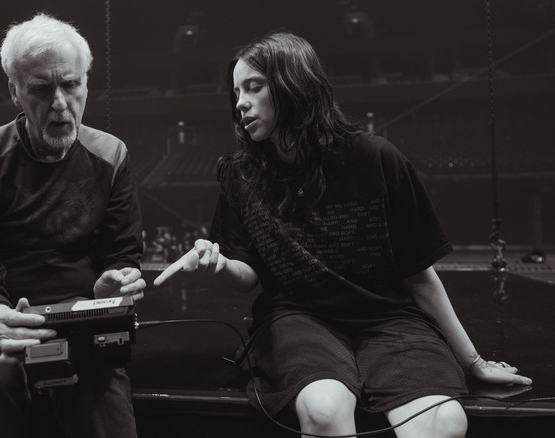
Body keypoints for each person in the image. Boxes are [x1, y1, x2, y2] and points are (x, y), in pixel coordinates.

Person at [154, 32, 532, 438]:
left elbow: (419, 276)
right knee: (324, 408)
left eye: (253, 86)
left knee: (443, 422)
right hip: (298, 317)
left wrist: (473, 362)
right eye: (235, 92)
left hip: (388, 319)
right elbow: (250, 276)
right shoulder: (239, 173)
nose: (240, 102)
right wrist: (220, 263)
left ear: (293, 84)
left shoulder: (375, 157)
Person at [0, 12, 145, 438]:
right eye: (40, 89)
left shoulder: (113, 156)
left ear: (86, 83)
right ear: (15, 91)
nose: (59, 103)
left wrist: (112, 288)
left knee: (103, 398)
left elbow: (121, 255)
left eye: (71, 85)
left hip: (81, 309)